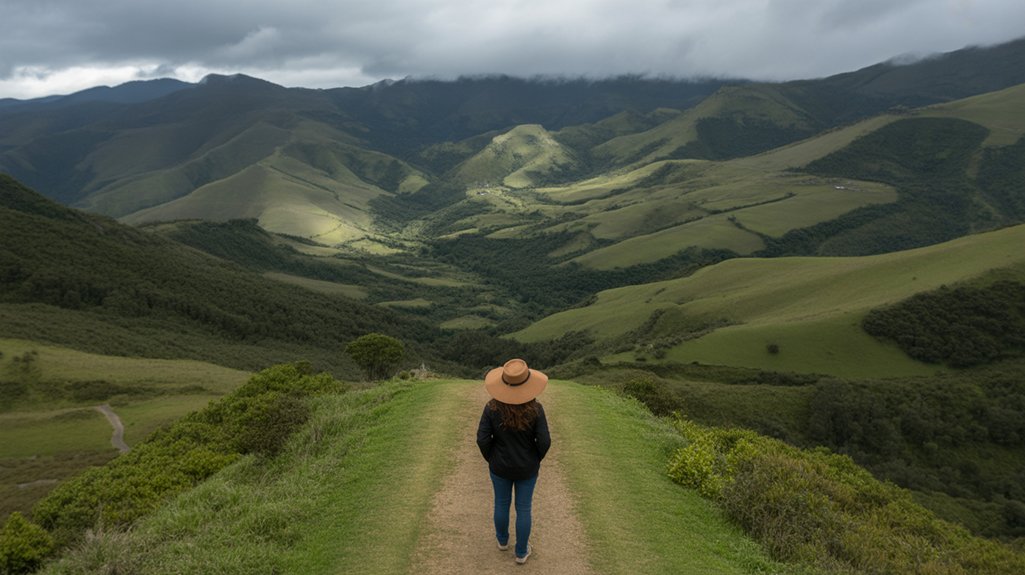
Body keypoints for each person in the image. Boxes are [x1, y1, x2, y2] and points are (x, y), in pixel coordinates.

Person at [476, 358, 551, 565]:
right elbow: (544, 441)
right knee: (524, 508)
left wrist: (491, 458)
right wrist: (535, 458)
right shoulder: (536, 409)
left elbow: (482, 439)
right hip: (527, 467)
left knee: (501, 503)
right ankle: (520, 552)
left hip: (499, 466)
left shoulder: (491, 408)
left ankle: (502, 541)